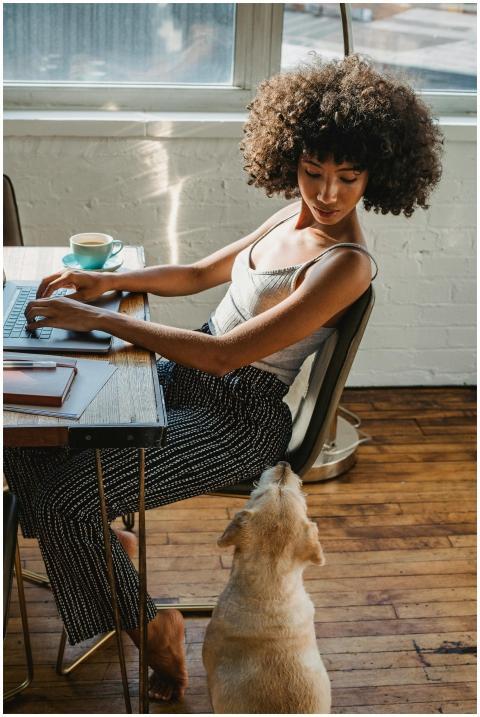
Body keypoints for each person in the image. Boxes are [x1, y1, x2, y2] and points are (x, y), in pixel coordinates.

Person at [5, 54, 443, 702]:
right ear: (290, 156)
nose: (324, 193)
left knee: (68, 500)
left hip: (237, 417)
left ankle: (157, 633)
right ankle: (106, 547)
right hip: (188, 376)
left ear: (375, 176)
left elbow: (225, 355)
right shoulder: (290, 217)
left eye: (346, 179)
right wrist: (106, 284)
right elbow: (195, 274)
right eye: (311, 172)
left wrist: (96, 318)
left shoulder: (347, 264)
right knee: (28, 432)